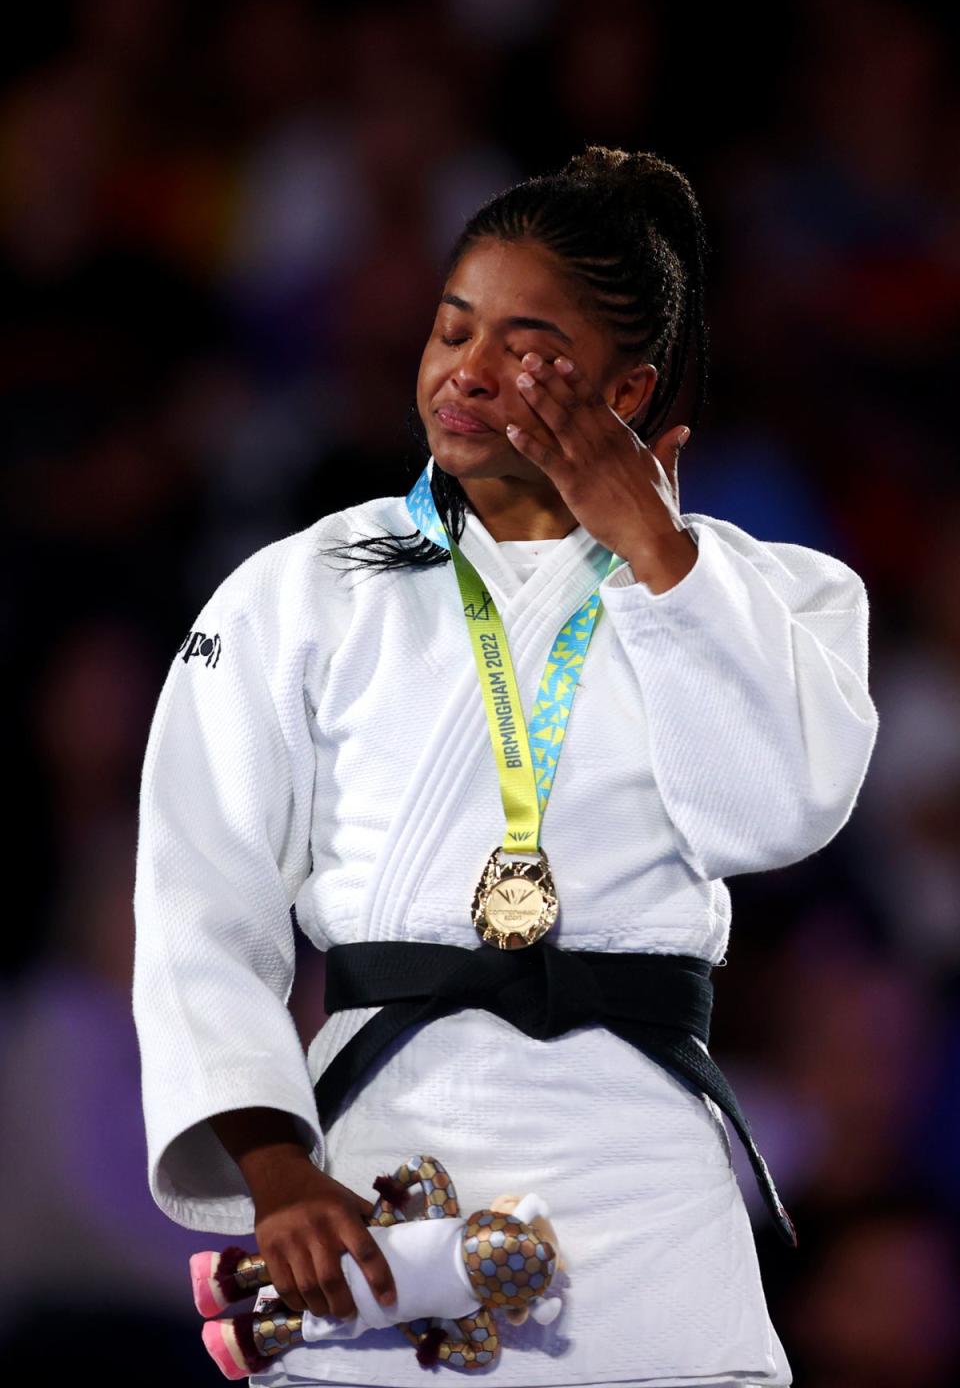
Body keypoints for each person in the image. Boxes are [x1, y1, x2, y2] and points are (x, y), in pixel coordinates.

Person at [132, 145, 880, 1388]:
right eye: (450, 329)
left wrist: (656, 553)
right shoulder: (298, 591)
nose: (467, 374)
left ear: (627, 388)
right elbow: (197, 900)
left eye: (525, 348)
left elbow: (774, 815)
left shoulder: (778, 594)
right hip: (381, 1183)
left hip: (645, 1193)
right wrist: (275, 1170)